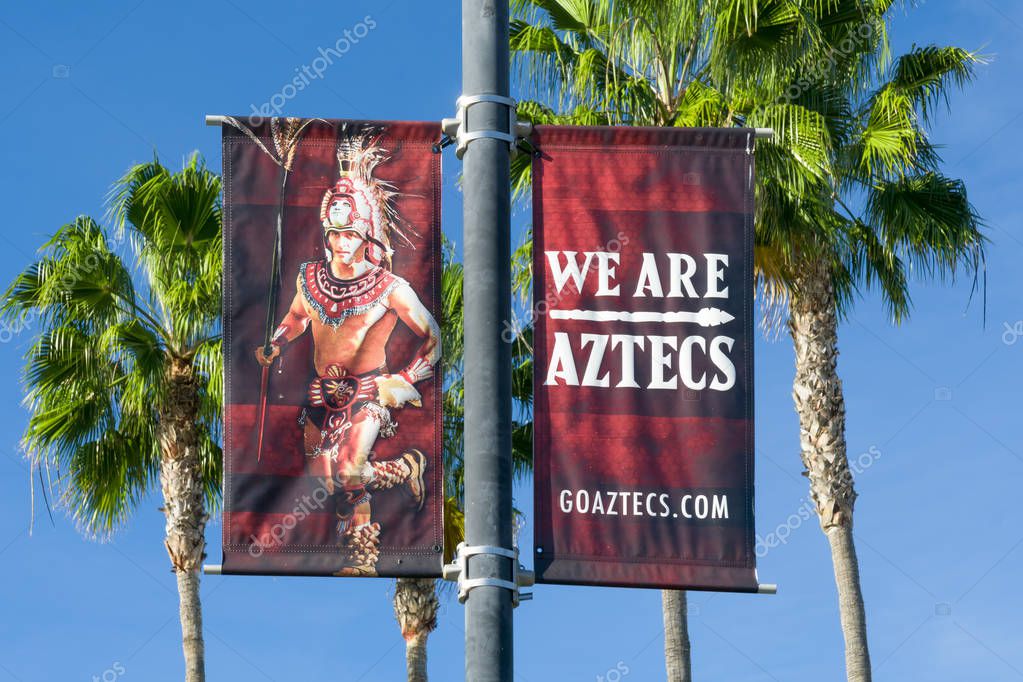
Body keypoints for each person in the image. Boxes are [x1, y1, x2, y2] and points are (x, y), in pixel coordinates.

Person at [256, 172, 440, 576]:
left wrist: (404, 380)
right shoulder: (309, 278)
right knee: (326, 481)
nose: (341, 243)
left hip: (370, 392)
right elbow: (296, 318)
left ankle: (364, 558)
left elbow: (433, 338)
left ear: (366, 235)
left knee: (350, 469)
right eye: (334, 234)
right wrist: (278, 341)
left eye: (349, 233)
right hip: (322, 393)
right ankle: (404, 470)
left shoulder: (391, 286)